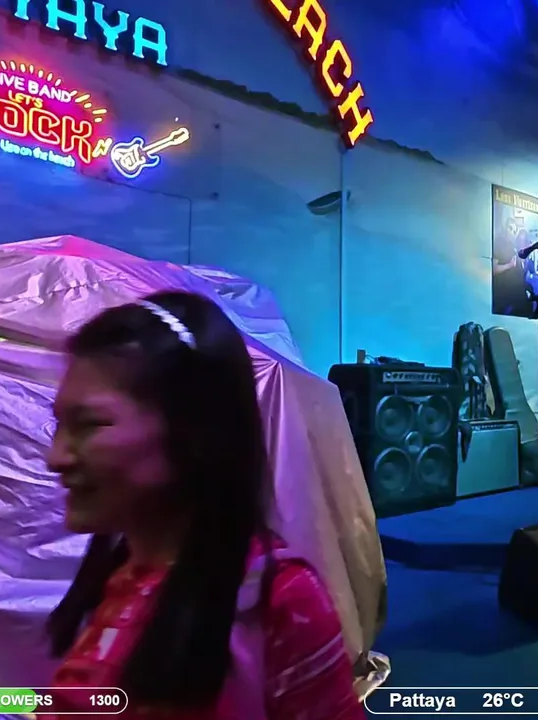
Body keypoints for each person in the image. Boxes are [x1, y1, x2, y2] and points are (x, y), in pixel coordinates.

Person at [43, 291, 363, 719]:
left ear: (192, 433)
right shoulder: (117, 579)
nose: (56, 457)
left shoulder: (278, 599)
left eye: (89, 424)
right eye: (59, 424)